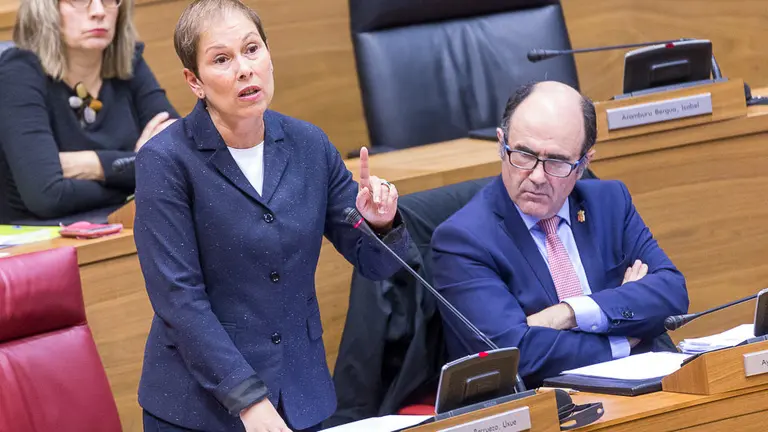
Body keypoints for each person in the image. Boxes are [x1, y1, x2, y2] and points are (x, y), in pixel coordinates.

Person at [133, 1, 410, 431]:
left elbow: (377, 264)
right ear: (194, 81)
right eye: (222, 59)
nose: (245, 69)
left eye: (252, 49)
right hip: (200, 410)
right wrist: (247, 400)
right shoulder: (165, 162)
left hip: (299, 396)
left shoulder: (309, 146)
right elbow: (178, 298)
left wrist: (380, 223)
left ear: (269, 54)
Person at [430, 81, 689, 388]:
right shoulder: (463, 240)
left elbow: (672, 294)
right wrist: (621, 339)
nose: (537, 176)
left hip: (639, 389)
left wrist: (568, 313)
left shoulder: (610, 203)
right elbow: (514, 354)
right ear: (501, 144)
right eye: (523, 155)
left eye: (556, 162)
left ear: (583, 164)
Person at [0, 0, 178, 224]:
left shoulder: (129, 63)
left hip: (126, 229)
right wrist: (140, 172)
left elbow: (182, 161)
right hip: (45, 244)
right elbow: (47, 196)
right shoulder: (18, 73)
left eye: (108, 0)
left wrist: (93, 164)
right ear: (46, 8)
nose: (98, 11)